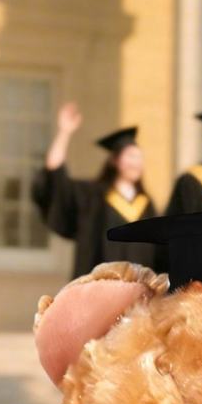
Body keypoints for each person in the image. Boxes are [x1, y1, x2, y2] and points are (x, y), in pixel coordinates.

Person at [31, 104, 158, 276]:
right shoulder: (92, 196)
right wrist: (64, 132)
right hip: (98, 290)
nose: (136, 163)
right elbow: (56, 176)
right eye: (130, 156)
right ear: (114, 160)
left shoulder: (146, 205)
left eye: (139, 157)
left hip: (138, 294)